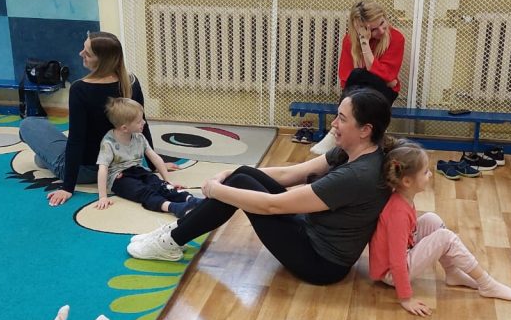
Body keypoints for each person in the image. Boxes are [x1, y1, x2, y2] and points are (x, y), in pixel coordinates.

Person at [129, 88, 393, 286]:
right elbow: (290, 173)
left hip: (320, 263)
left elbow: (272, 206)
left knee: (239, 184)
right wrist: (230, 172)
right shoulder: (351, 152)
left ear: (365, 130)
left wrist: (217, 189)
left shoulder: (357, 175)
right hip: (312, 232)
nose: (334, 124)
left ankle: (173, 240)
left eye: (342, 119)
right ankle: (177, 232)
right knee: (243, 174)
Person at [370, 141, 511, 316]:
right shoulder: (398, 213)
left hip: (401, 257)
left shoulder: (403, 199)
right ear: (407, 181)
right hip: (391, 273)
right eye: (425, 172)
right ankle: (487, 284)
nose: (430, 175)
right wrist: (406, 298)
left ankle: (453, 273)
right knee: (444, 237)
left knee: (432, 220)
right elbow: (397, 261)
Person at [18, 31, 156, 208]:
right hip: (124, 165)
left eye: (87, 53)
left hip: (88, 170)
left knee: (29, 124)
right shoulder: (132, 82)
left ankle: (46, 159)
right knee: (41, 157)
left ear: (102, 61)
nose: (80, 53)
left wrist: (67, 187)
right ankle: (43, 158)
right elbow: (142, 125)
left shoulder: (80, 89)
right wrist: (154, 165)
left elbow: (76, 140)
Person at [307, 1, 405, 154]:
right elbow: (346, 78)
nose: (381, 30)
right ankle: (347, 143)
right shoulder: (349, 41)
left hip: (384, 92)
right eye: (373, 29)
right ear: (361, 29)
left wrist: (365, 47)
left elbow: (388, 75)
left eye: (382, 23)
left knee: (360, 75)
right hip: (356, 91)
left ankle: (335, 133)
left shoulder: (397, 38)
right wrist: (381, 77)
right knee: (357, 76)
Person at [95, 98, 201, 217]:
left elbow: (155, 157)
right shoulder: (108, 143)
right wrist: (103, 197)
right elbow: (102, 169)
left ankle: (190, 200)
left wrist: (167, 180)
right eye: (139, 121)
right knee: (144, 191)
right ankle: (172, 207)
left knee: (160, 185)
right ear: (124, 128)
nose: (144, 122)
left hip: (138, 170)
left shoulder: (139, 137)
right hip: (119, 178)